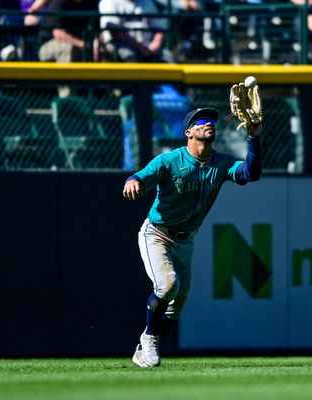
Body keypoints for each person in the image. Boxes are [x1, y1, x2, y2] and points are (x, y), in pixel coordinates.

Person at [122, 107, 262, 368]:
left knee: (177, 306)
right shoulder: (169, 161)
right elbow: (140, 175)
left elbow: (250, 173)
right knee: (167, 285)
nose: (209, 123)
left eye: (212, 121)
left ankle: (144, 347)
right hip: (158, 234)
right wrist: (133, 181)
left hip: (186, 240)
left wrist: (253, 138)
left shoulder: (221, 163)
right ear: (188, 132)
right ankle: (150, 336)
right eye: (202, 121)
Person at [98, 0, 166, 62]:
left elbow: (159, 28)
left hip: (149, 46)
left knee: (168, 57)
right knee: (128, 55)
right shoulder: (108, 2)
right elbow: (115, 31)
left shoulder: (148, 2)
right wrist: (140, 47)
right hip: (122, 44)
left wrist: (156, 43)